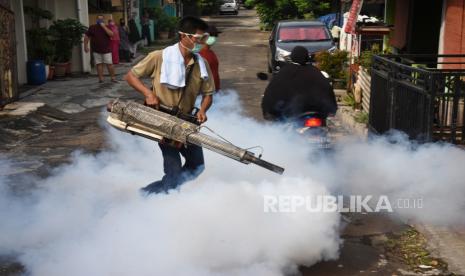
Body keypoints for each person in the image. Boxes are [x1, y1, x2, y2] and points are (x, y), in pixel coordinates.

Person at [124, 16, 215, 194]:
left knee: (198, 166)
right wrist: (148, 94)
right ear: (183, 36)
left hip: (187, 123)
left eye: (204, 38)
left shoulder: (201, 64)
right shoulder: (159, 57)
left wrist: (203, 110)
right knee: (173, 171)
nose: (202, 43)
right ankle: (166, 201)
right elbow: (130, 76)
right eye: (198, 39)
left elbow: (208, 94)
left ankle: (151, 192)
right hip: (161, 121)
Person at [261, 46, 337, 120]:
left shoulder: (284, 72)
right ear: (307, 57)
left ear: (292, 57)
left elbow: (272, 93)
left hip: (292, 113)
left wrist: (268, 111)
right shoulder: (315, 72)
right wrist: (331, 109)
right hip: (316, 112)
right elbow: (327, 90)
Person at [84, 15, 117, 83]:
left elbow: (111, 34)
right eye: (99, 19)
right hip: (96, 49)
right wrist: (85, 46)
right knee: (99, 64)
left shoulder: (107, 27)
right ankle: (101, 79)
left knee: (109, 64)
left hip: (106, 49)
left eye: (101, 19)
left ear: (103, 20)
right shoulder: (92, 27)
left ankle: (113, 78)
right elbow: (87, 37)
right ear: (96, 20)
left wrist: (103, 26)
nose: (100, 20)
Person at [199, 25, 221, 91]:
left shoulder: (211, 52)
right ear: (203, 37)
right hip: (205, 91)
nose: (214, 38)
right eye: (211, 35)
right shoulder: (198, 54)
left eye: (215, 36)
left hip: (214, 89)